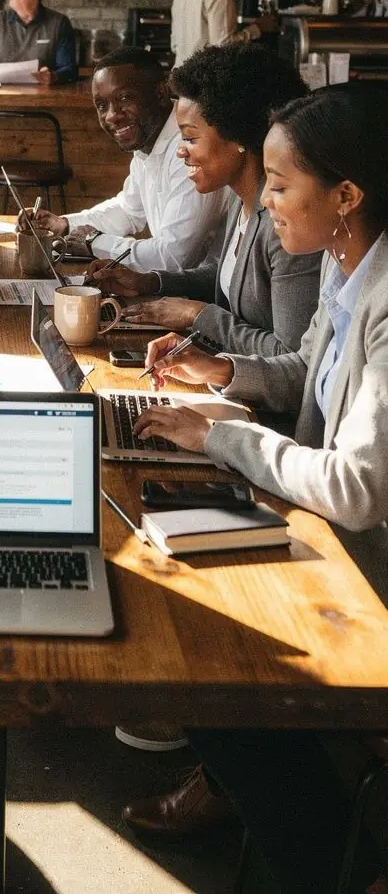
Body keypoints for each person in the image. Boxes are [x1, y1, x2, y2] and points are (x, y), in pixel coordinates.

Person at [120, 82, 388, 894]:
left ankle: (341, 865)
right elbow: (309, 371)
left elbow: (356, 486)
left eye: (279, 185)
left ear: (345, 196)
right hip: (334, 545)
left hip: (366, 578)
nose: (264, 201)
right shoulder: (350, 267)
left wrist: (223, 435)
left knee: (206, 672)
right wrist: (223, 371)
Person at [90, 43, 321, 355]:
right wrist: (151, 282)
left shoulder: (285, 225)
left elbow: (292, 357)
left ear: (237, 135)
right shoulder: (242, 201)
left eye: (189, 137)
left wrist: (197, 315)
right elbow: (229, 279)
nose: (181, 150)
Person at [27, 49, 230, 273]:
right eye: (102, 105)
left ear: (160, 93)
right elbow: (129, 210)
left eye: (124, 98)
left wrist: (93, 242)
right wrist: (65, 225)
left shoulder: (188, 150)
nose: (112, 115)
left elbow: (174, 257)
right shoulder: (148, 139)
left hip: (206, 295)